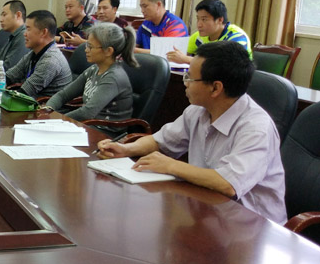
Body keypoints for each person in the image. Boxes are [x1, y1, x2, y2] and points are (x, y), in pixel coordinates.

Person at [97, 40, 286, 223]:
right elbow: (161, 141)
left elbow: (228, 183)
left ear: (215, 88)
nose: (185, 83)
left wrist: (171, 166)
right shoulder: (198, 110)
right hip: (209, 210)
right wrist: (126, 149)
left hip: (253, 225)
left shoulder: (256, 128)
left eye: (190, 77)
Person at [44, 23, 136, 125]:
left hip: (104, 131)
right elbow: (63, 95)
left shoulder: (113, 77)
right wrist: (47, 110)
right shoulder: (94, 69)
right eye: (87, 45)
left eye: (90, 47)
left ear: (108, 51)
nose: (86, 50)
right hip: (87, 125)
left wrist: (56, 122)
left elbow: (87, 113)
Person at [5, 10, 72, 98]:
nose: (24, 34)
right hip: (32, 103)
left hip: (45, 106)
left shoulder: (51, 60)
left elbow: (24, 93)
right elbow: (9, 76)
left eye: (28, 29)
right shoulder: (34, 53)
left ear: (43, 32)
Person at [167, 0, 252, 65]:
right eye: (198, 19)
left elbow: (228, 64)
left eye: (204, 19)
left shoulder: (236, 36)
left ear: (220, 20)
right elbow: (181, 52)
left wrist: (187, 59)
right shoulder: (199, 36)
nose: (199, 25)